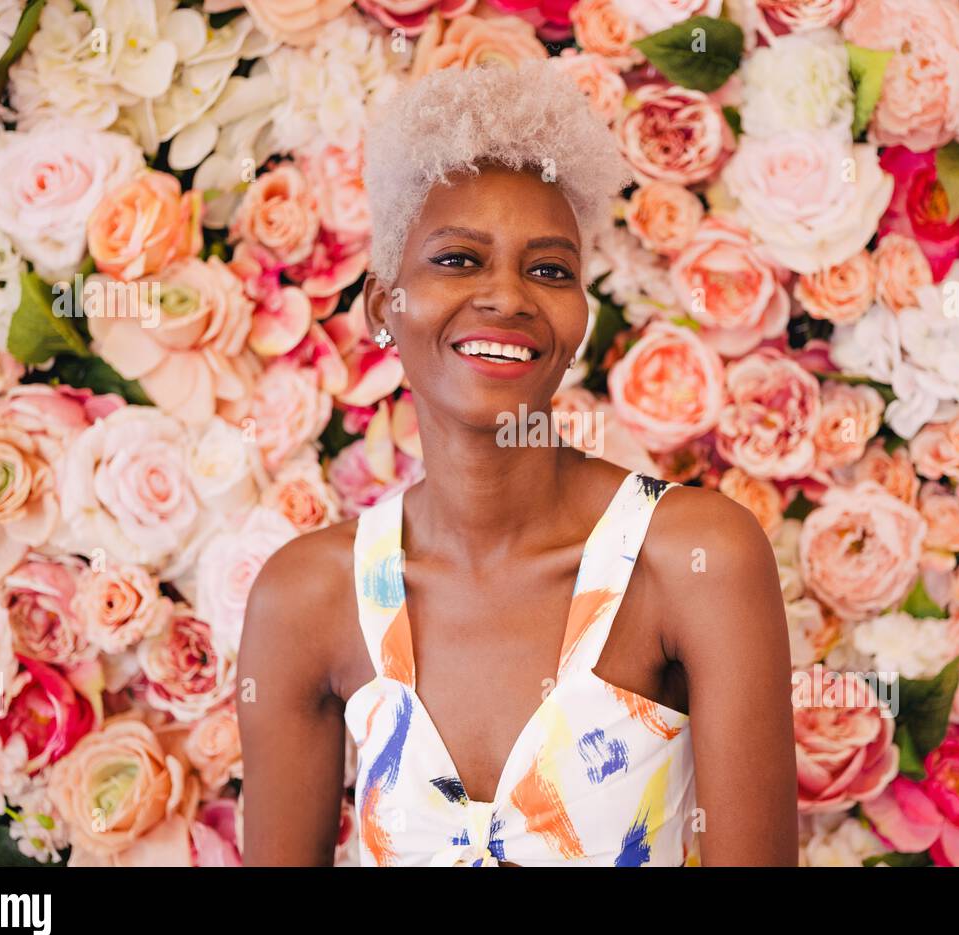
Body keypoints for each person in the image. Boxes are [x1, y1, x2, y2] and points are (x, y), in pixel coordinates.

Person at [237, 58, 797, 866]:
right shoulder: (307, 597)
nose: (508, 296)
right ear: (381, 306)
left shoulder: (694, 557)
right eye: (459, 259)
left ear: (577, 317)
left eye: (548, 269)